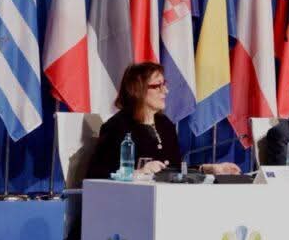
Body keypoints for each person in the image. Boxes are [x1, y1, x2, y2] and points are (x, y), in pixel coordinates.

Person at [86, 63, 240, 179]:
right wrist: (137, 173)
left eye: (164, 85)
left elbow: (174, 171)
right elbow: (96, 175)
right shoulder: (117, 127)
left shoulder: (165, 124)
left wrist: (208, 169)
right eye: (157, 86)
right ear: (137, 90)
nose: (165, 91)